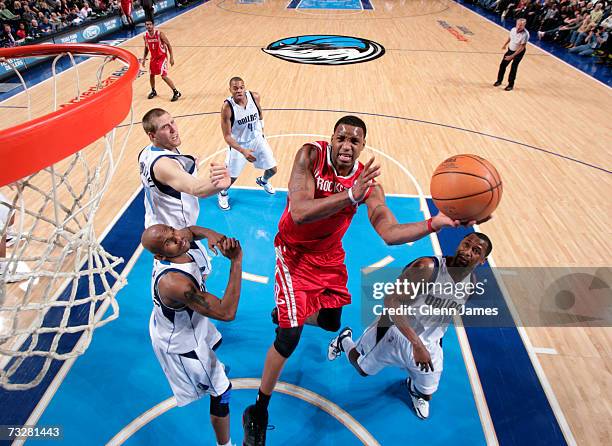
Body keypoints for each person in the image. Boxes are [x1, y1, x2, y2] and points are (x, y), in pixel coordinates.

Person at [241, 115, 484, 445]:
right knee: (289, 338)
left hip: (328, 256)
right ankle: (258, 409)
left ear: (362, 147)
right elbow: (299, 212)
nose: (346, 145)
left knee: (329, 321)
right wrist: (350, 197)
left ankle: (288, 314)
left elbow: (389, 232)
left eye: (354, 141)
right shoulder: (310, 156)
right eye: (341, 138)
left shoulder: (368, 186)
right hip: (294, 253)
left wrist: (435, 222)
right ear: (331, 139)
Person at [327, 233, 492, 420]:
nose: (467, 251)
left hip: (428, 343)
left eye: (475, 251)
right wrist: (417, 344)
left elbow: (442, 316)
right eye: (466, 244)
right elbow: (390, 301)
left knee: (426, 392)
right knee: (363, 369)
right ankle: (344, 341)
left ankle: (413, 390)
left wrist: (429, 343)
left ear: (483, 261)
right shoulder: (427, 268)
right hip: (395, 332)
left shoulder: (471, 284)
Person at [142, 223, 243, 446]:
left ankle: (209, 371)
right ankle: (224, 445)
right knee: (222, 391)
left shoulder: (179, 241)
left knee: (215, 341)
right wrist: (236, 261)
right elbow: (226, 312)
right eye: (169, 241)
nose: (178, 238)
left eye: (172, 231)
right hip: (182, 342)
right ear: (160, 254)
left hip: (188, 321)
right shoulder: (175, 283)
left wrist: (213, 234)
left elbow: (190, 230)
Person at [139, 108, 231, 229]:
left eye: (172, 122)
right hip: (175, 235)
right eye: (165, 127)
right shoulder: (163, 165)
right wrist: (219, 184)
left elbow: (168, 178)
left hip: (156, 224)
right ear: (152, 136)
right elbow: (196, 188)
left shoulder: (146, 152)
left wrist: (189, 167)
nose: (173, 129)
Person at [217, 77, 277, 211]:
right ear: (230, 90)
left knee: (273, 169)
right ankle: (222, 193)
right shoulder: (227, 107)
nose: (239, 90)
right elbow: (227, 137)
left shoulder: (254, 97)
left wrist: (262, 131)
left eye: (241, 87)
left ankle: (263, 181)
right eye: (235, 88)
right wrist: (243, 151)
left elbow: (260, 113)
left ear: (245, 87)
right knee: (231, 178)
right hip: (239, 144)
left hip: (256, 139)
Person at [141, 19, 181, 102]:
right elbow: (146, 48)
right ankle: (153, 91)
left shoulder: (159, 34)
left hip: (162, 57)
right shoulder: (145, 36)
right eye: (147, 24)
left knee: (163, 76)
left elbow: (168, 44)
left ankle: (176, 92)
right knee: (151, 74)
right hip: (153, 58)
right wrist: (144, 58)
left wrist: (171, 57)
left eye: (150, 24)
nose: (148, 26)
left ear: (153, 25)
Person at [494, 18, 530, 91]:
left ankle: (510, 85)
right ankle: (499, 80)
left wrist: (512, 56)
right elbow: (510, 37)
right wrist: (505, 44)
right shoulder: (513, 30)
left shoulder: (525, 34)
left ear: (524, 25)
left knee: (513, 67)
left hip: (518, 53)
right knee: (503, 65)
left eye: (521, 25)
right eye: (518, 24)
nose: (519, 26)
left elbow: (522, 47)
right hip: (510, 50)